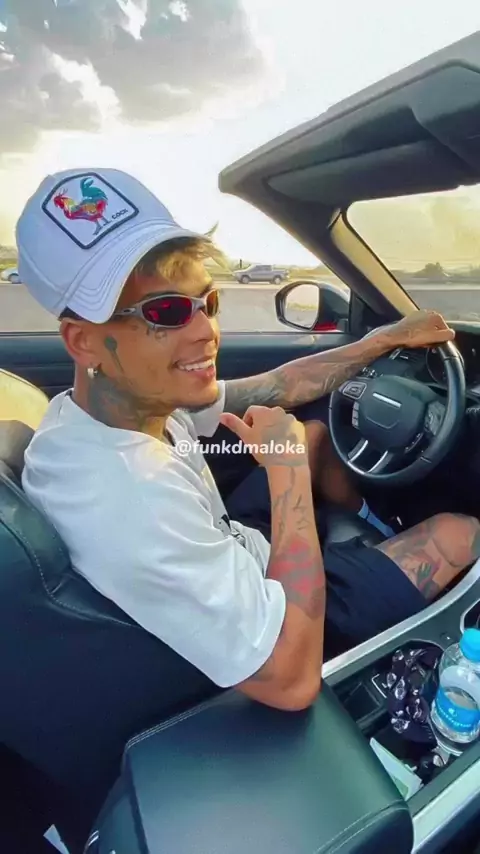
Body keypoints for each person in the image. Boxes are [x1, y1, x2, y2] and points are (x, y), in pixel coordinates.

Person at [17, 168, 480, 713]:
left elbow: (278, 386)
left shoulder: (111, 408)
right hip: (280, 627)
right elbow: (289, 682)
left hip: (233, 547)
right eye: (166, 313)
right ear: (83, 341)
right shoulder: (125, 497)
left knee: (313, 433)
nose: (205, 331)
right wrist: (287, 473)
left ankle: (375, 535)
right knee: (459, 532)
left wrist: (382, 341)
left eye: (207, 302)